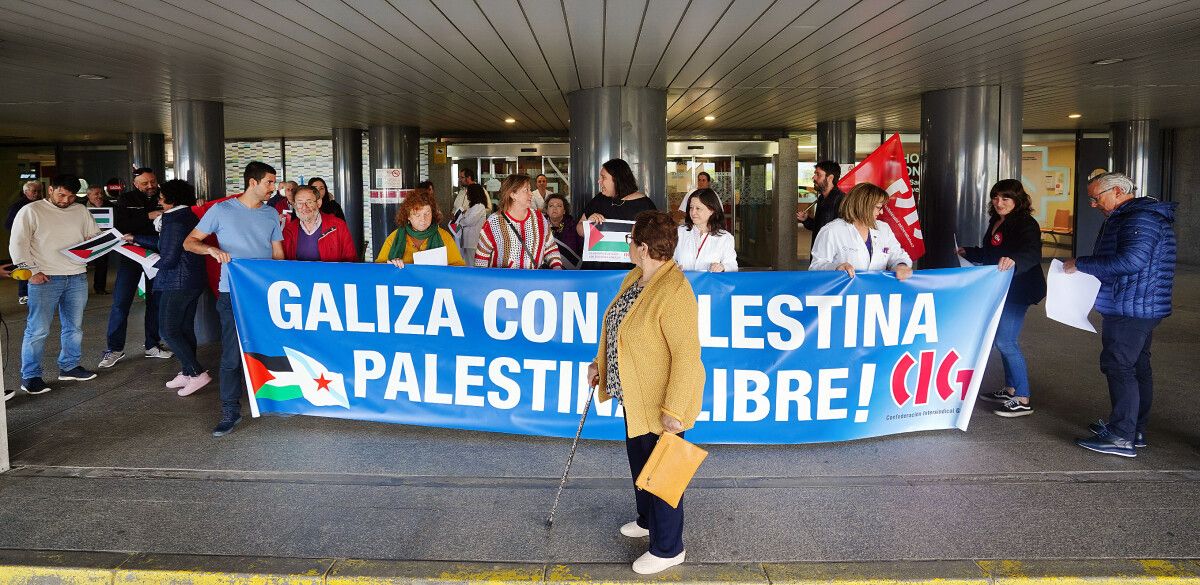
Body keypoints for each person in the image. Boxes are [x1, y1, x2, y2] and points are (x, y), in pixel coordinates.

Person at [587, 210, 704, 575]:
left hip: (663, 402)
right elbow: (617, 328)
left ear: (642, 247)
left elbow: (687, 355)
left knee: (665, 474)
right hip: (635, 396)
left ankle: (669, 548)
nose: (629, 247)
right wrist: (599, 364)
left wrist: (674, 408)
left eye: (630, 241)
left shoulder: (675, 290)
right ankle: (646, 519)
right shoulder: (637, 277)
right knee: (640, 463)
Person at [1065, 172, 1177, 458]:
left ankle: (1121, 437)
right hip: (1139, 303)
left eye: (1095, 197)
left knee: (1119, 366)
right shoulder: (1138, 216)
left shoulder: (1138, 218)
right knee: (1138, 366)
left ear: (1116, 191)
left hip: (1131, 305)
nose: (1092, 204)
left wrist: (1082, 264)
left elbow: (1130, 261)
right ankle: (1134, 430)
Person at [184, 161, 284, 437]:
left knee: (270, 348)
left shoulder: (270, 214)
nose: (273, 188)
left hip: (264, 294)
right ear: (253, 182)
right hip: (232, 293)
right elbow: (189, 242)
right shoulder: (221, 210)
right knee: (231, 354)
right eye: (269, 183)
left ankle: (278, 400)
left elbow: (277, 254)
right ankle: (230, 410)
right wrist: (211, 249)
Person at [958, 179, 1046, 417]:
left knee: (1006, 342)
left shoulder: (1026, 223)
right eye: (995, 197)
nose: (999, 203)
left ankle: (1023, 397)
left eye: (1005, 198)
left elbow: (1031, 252)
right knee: (1001, 339)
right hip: (1001, 288)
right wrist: (970, 251)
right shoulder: (997, 221)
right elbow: (992, 252)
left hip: (1019, 289)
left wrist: (1015, 259)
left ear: (1017, 201)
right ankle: (1010, 389)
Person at [9, 175, 100, 396]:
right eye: (61, 195)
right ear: (50, 190)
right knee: (38, 329)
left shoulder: (80, 210)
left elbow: (94, 236)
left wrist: (99, 242)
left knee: (74, 327)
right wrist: (31, 272)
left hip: (76, 275)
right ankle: (30, 376)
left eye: (70, 197)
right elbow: (18, 242)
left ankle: (69, 366)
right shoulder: (31, 210)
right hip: (45, 277)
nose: (65, 200)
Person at [130, 180, 211, 397]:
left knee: (168, 329)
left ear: (171, 198)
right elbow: (166, 245)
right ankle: (187, 371)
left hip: (177, 281)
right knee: (184, 328)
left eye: (162, 196)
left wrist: (145, 259)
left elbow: (169, 258)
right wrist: (136, 239)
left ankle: (196, 373)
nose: (159, 199)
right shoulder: (185, 216)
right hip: (190, 280)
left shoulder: (173, 220)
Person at [99, 167, 170, 369]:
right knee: (121, 302)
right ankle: (114, 349)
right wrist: (149, 216)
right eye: (145, 183)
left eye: (152, 182)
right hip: (132, 256)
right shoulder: (126, 199)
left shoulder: (164, 196)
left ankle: (152, 345)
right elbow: (120, 224)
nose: (150, 186)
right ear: (136, 184)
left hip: (157, 254)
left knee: (155, 302)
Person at [809, 182, 913, 280]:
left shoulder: (883, 228)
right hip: (846, 295)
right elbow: (815, 267)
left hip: (877, 294)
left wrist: (901, 265)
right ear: (863, 206)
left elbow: (898, 256)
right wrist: (836, 267)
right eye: (878, 207)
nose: (881, 212)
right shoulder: (832, 230)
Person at [578, 158, 657, 270]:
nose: (599, 181)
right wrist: (588, 224)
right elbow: (579, 229)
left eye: (603, 177)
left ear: (617, 180)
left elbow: (655, 241)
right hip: (595, 273)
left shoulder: (645, 206)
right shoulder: (599, 199)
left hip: (630, 274)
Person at [473, 174, 562, 269]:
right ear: (512, 194)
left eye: (530, 189)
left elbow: (551, 248)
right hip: (503, 282)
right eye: (526, 190)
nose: (531, 193)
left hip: (534, 281)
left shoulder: (539, 218)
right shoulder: (494, 222)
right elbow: (481, 258)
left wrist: (557, 268)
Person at [375, 187, 465, 267]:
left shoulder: (445, 237)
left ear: (433, 214)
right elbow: (378, 269)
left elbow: (458, 269)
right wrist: (391, 265)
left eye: (427, 213)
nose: (423, 219)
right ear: (408, 216)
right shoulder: (394, 238)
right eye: (417, 215)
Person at [283, 185, 358, 262]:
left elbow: (351, 261)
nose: (304, 207)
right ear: (295, 205)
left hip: (331, 274)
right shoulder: (288, 230)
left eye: (309, 202)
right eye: (299, 203)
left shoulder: (338, 226)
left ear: (318, 203)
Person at [674, 188, 737, 272]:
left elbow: (732, 266)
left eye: (698, 208)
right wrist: (673, 267)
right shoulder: (680, 232)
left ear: (711, 210)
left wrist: (722, 267)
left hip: (710, 284)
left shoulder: (725, 238)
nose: (693, 212)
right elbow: (668, 258)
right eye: (691, 208)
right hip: (684, 284)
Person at [6, 180, 43, 304]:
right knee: (24, 266)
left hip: (40, 242)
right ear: (25, 192)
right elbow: (8, 225)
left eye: (39, 191)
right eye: (34, 191)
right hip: (24, 241)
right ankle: (23, 294)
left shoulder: (42, 204)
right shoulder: (18, 206)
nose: (37, 194)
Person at [797, 161, 845, 247]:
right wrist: (806, 220)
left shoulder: (842, 200)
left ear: (830, 178)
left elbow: (843, 233)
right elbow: (818, 227)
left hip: (831, 256)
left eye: (818, 174)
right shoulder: (821, 198)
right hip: (819, 251)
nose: (813, 177)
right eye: (815, 174)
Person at [83, 185, 112, 294]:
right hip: (85, 239)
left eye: (101, 193)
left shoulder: (110, 205)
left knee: (102, 264)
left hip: (103, 239)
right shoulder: (81, 206)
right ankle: (81, 289)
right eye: (96, 194)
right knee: (82, 265)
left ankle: (100, 288)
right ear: (88, 195)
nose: (100, 196)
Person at [545, 193, 582, 269]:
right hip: (546, 271)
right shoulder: (539, 226)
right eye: (551, 206)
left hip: (569, 272)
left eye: (559, 206)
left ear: (564, 211)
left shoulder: (574, 227)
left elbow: (580, 251)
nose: (554, 208)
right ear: (547, 211)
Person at [455, 183, 489, 261]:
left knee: (471, 263)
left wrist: (460, 220)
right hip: (468, 241)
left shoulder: (479, 206)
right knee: (467, 262)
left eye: (468, 192)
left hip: (473, 241)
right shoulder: (473, 207)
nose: (467, 194)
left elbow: (469, 221)